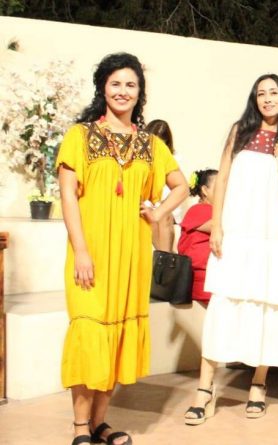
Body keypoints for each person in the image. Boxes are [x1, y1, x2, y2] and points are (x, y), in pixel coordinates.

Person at [57, 52, 188, 445]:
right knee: (89, 333)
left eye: (131, 84)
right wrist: (81, 250)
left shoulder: (150, 144)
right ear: (103, 87)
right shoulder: (80, 136)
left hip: (131, 256)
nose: (123, 91)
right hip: (91, 252)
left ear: (139, 93)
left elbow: (181, 185)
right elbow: (67, 196)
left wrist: (157, 212)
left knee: (115, 338)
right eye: (115, 83)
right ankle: (80, 426)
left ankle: (100, 423)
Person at [184, 74, 278, 425]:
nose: (268, 98)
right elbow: (223, 179)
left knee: (269, 307)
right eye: (261, 93)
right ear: (254, 99)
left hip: (275, 237)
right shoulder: (239, 131)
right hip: (239, 233)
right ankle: (204, 389)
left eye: (273, 92)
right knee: (224, 306)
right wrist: (217, 225)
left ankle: (258, 384)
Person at [177, 169, 217, 303]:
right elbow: (224, 227)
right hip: (204, 283)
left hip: (212, 280)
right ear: (205, 190)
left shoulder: (216, 211)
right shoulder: (199, 210)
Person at [145, 119, 182, 252]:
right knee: (151, 217)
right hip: (148, 205)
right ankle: (162, 256)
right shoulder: (140, 160)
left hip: (166, 207)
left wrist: (162, 205)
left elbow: (177, 189)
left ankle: (165, 256)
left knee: (164, 214)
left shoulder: (173, 159)